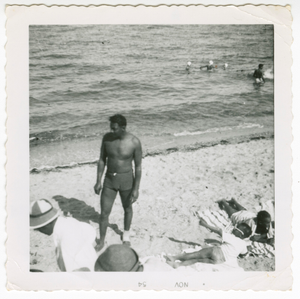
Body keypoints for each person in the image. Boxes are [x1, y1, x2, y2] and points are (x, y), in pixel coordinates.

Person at [94, 114, 142, 251]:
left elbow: (138, 167)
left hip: (126, 180)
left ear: (123, 127)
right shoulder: (107, 139)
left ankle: (125, 235)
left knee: (127, 208)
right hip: (109, 180)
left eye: (115, 129)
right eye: (111, 128)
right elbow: (102, 160)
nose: (112, 131)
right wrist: (98, 181)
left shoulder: (134, 142)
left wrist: (136, 188)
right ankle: (101, 241)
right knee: (104, 213)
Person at [30, 199, 98, 272]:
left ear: (46, 225)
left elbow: (78, 271)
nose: (38, 231)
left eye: (38, 228)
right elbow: (91, 234)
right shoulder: (68, 221)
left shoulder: (66, 240)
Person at [165, 217, 251, 269]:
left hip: (216, 251)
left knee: (195, 255)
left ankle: (174, 258)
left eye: (236, 228)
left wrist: (205, 225)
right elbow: (244, 255)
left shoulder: (232, 237)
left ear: (240, 233)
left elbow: (218, 230)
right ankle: (178, 265)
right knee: (197, 260)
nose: (234, 228)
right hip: (219, 261)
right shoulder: (243, 244)